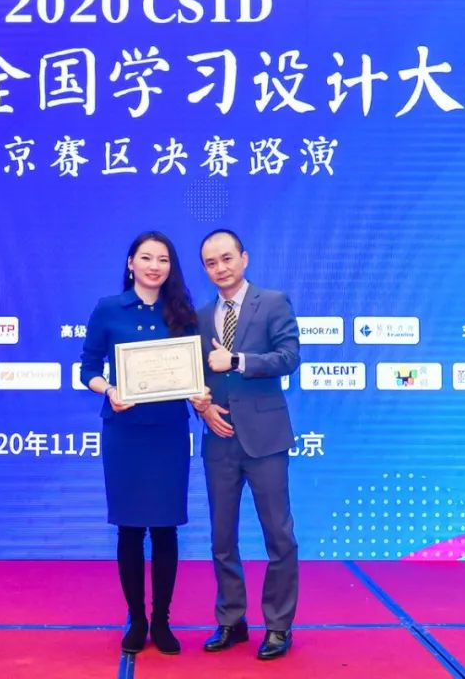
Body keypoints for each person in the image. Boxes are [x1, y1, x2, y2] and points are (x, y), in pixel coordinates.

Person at [80, 230, 208, 655]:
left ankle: (163, 621)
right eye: (147, 257)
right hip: (125, 432)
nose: (155, 266)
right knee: (130, 528)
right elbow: (87, 368)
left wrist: (199, 393)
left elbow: (193, 371)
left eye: (164, 259)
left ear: (172, 268)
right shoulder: (109, 309)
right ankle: (137, 620)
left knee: (166, 527)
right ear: (130, 263)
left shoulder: (183, 312)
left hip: (168, 430)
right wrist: (108, 389)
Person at [195, 229, 301, 660]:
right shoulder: (201, 316)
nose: (220, 268)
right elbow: (194, 375)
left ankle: (278, 626)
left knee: (279, 535)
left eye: (226, 258)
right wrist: (201, 406)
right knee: (222, 537)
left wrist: (237, 360)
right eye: (211, 263)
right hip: (218, 439)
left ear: (244, 258)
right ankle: (231, 619)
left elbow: (289, 358)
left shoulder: (273, 302)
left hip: (266, 439)